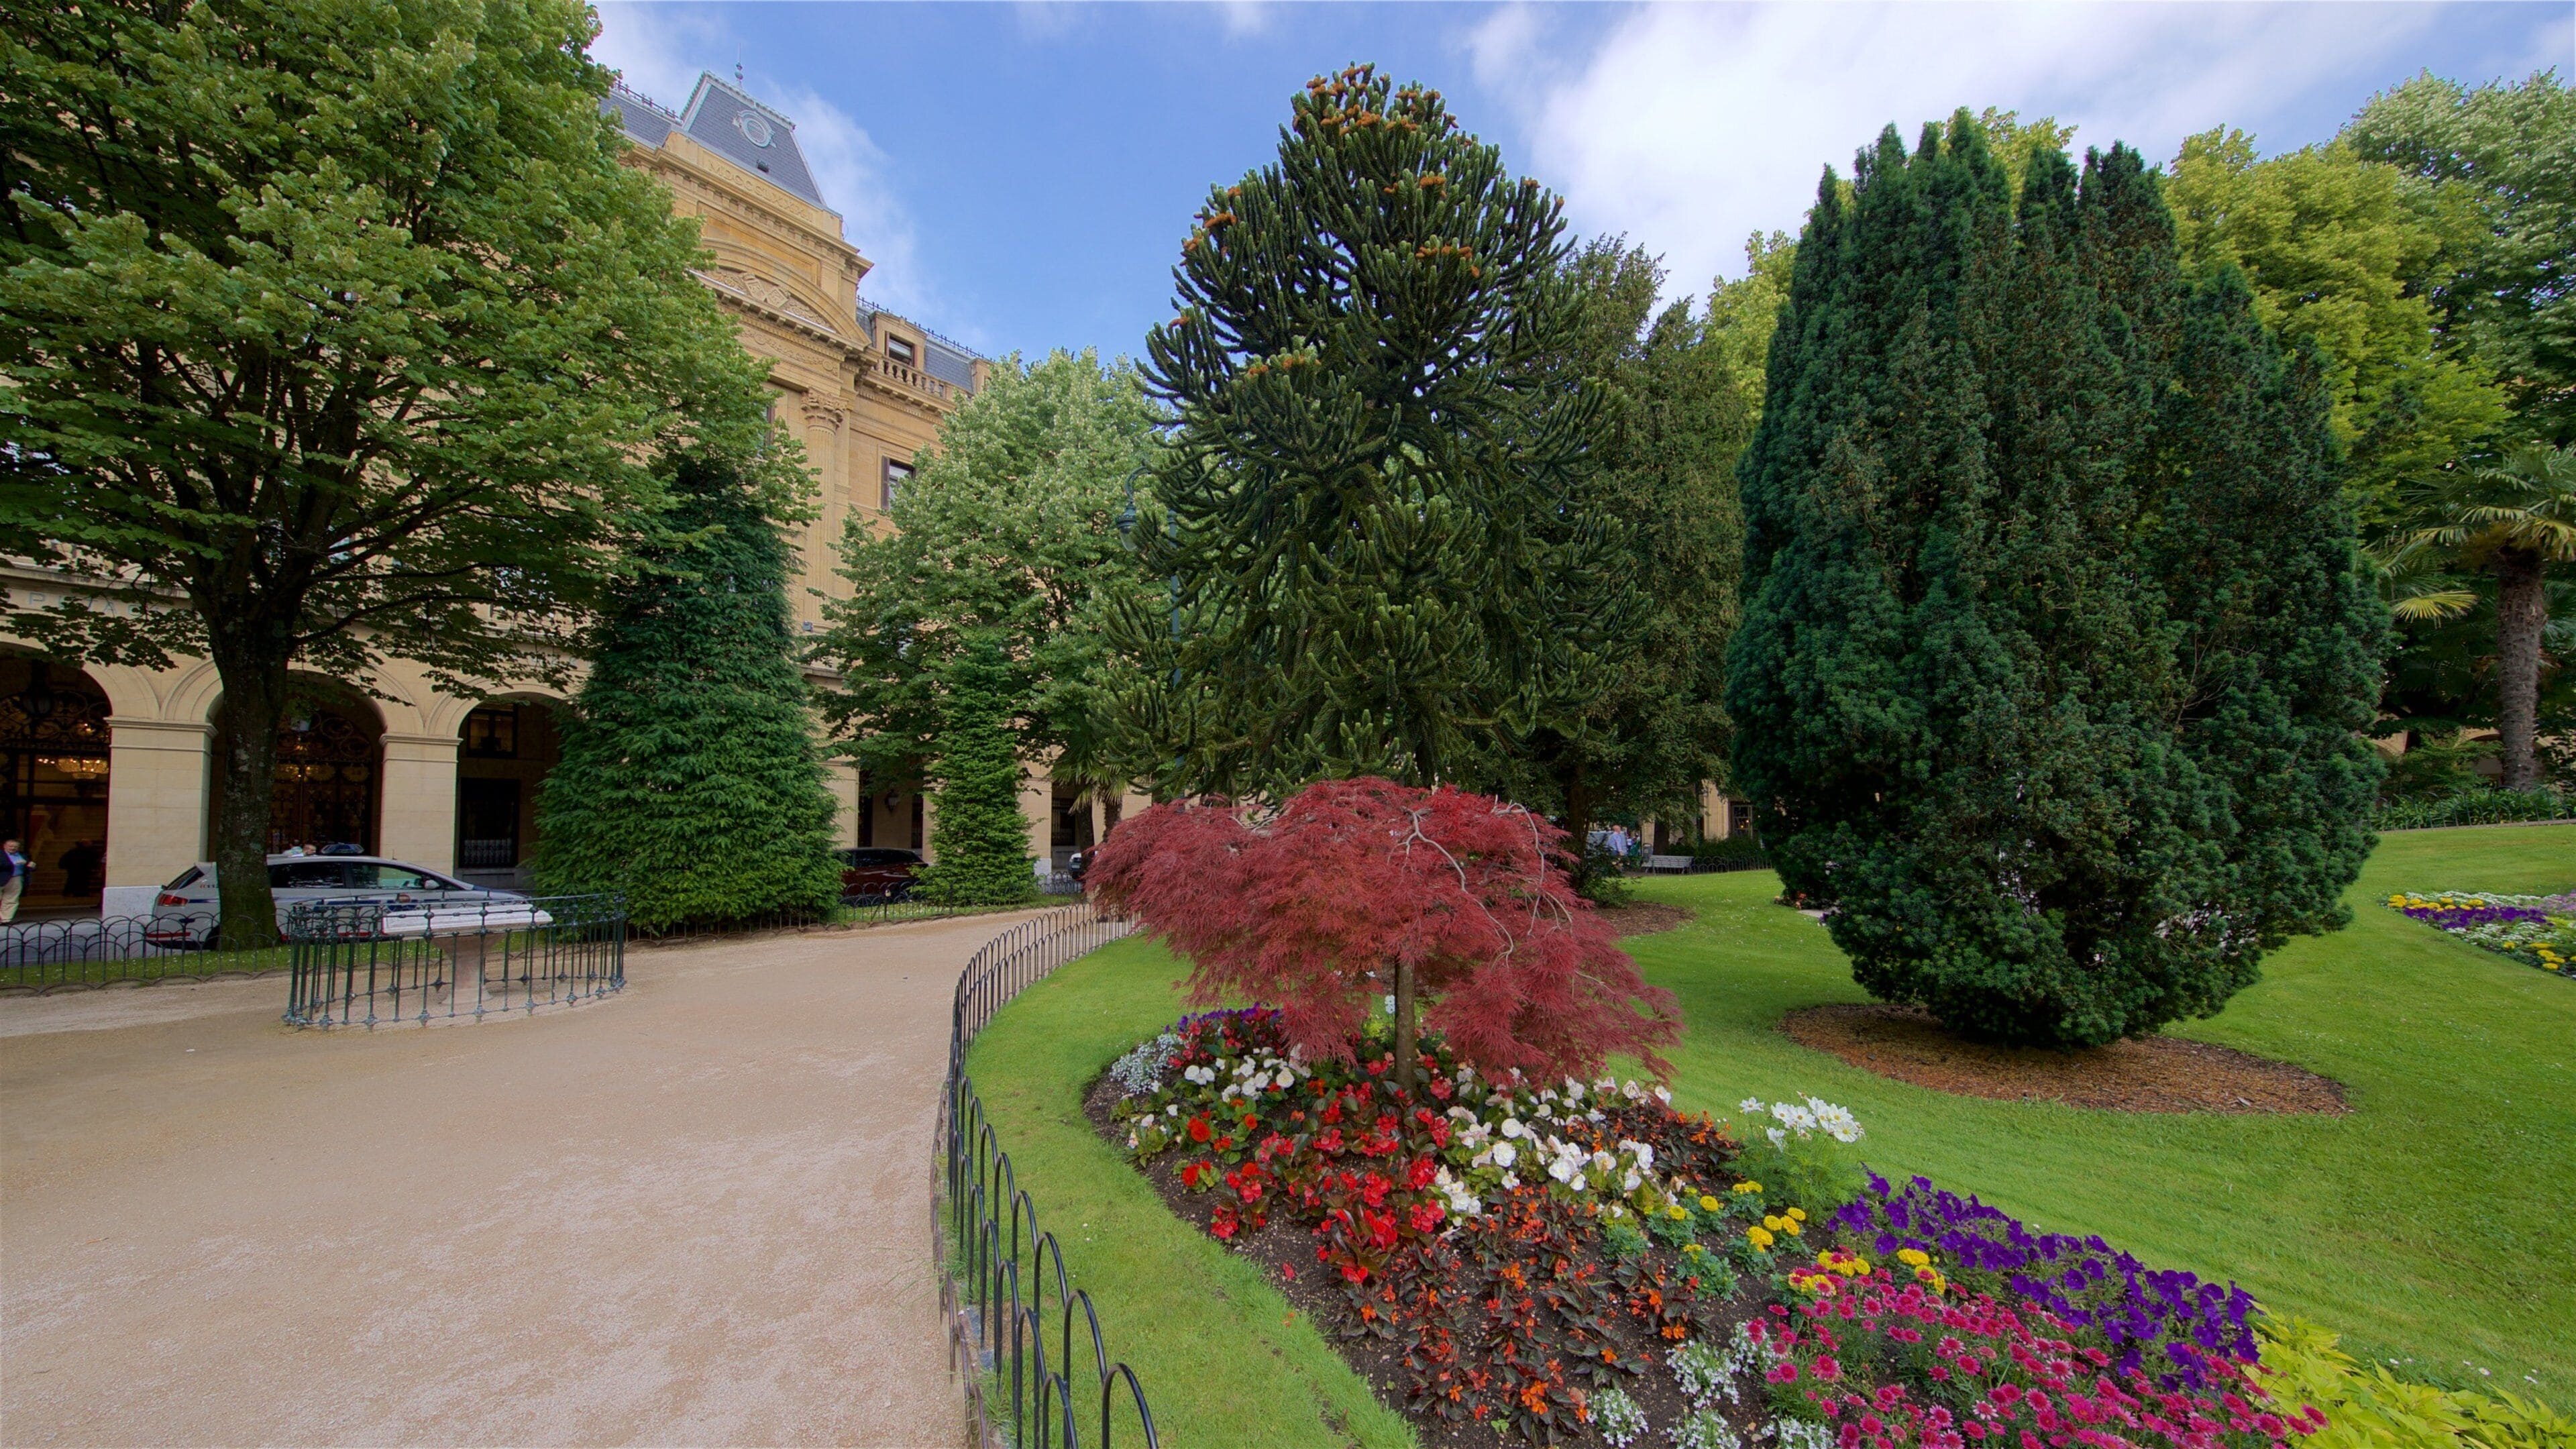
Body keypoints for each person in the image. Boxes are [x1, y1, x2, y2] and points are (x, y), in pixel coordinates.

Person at [0, 839, 26, 922]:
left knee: (11, 899)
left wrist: (32, 866)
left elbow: (29, 865)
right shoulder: (1, 854)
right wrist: (13, 864)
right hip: (1, 878)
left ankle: (6, 919)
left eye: (16, 847)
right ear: (5, 846)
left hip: (16, 879)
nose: (13, 848)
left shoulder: (23, 855)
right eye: (11, 846)